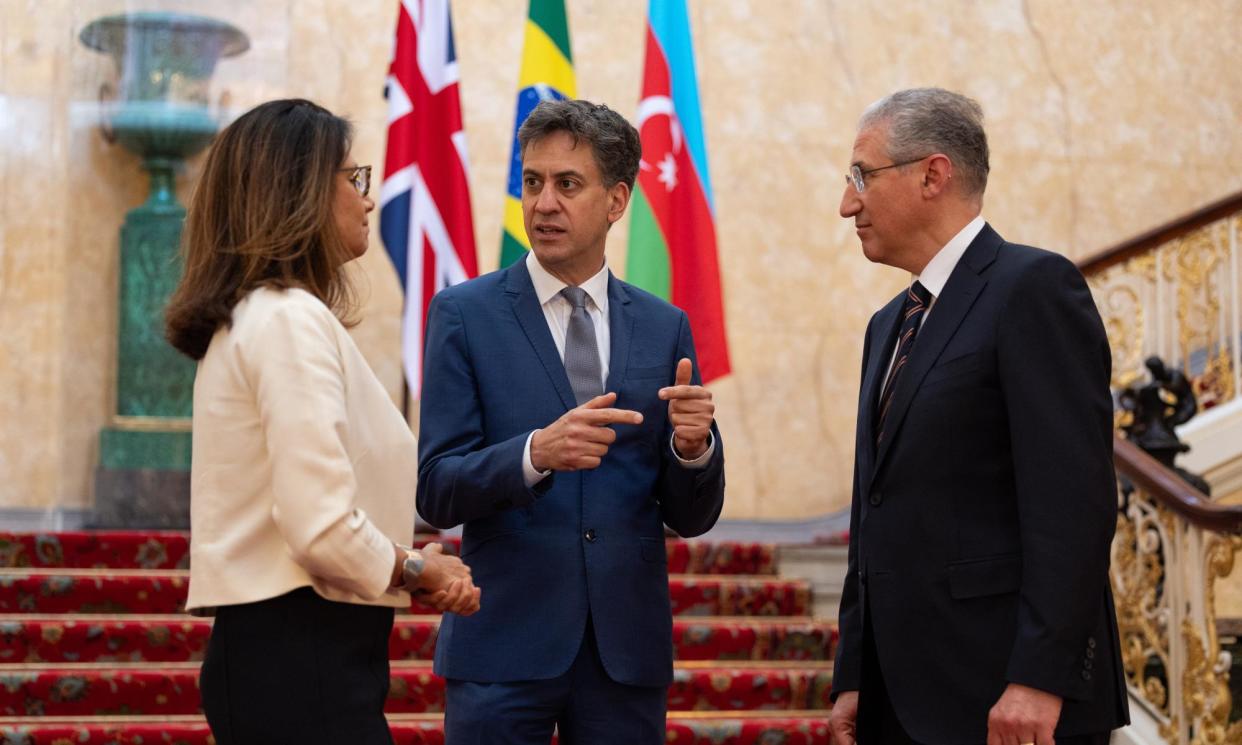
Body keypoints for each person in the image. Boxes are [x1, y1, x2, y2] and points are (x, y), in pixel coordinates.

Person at [164, 98, 480, 744]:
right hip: (299, 656)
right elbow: (320, 525)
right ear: (299, 190)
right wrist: (420, 570)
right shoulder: (287, 319)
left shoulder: (266, 314)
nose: (367, 199)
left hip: (293, 653)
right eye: (353, 177)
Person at [416, 99, 725, 744]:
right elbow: (437, 488)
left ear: (616, 201)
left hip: (624, 652)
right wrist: (533, 454)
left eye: (567, 184)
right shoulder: (464, 314)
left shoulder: (664, 325)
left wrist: (692, 448)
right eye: (532, 183)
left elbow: (688, 516)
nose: (543, 203)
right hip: (501, 642)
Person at [828, 88, 1129, 745]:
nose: (848, 203)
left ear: (933, 174)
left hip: (1008, 703)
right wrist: (854, 671)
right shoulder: (888, 326)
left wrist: (1039, 677)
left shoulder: (1034, 288)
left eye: (861, 176)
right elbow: (871, 511)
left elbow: (1072, 504)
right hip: (897, 701)